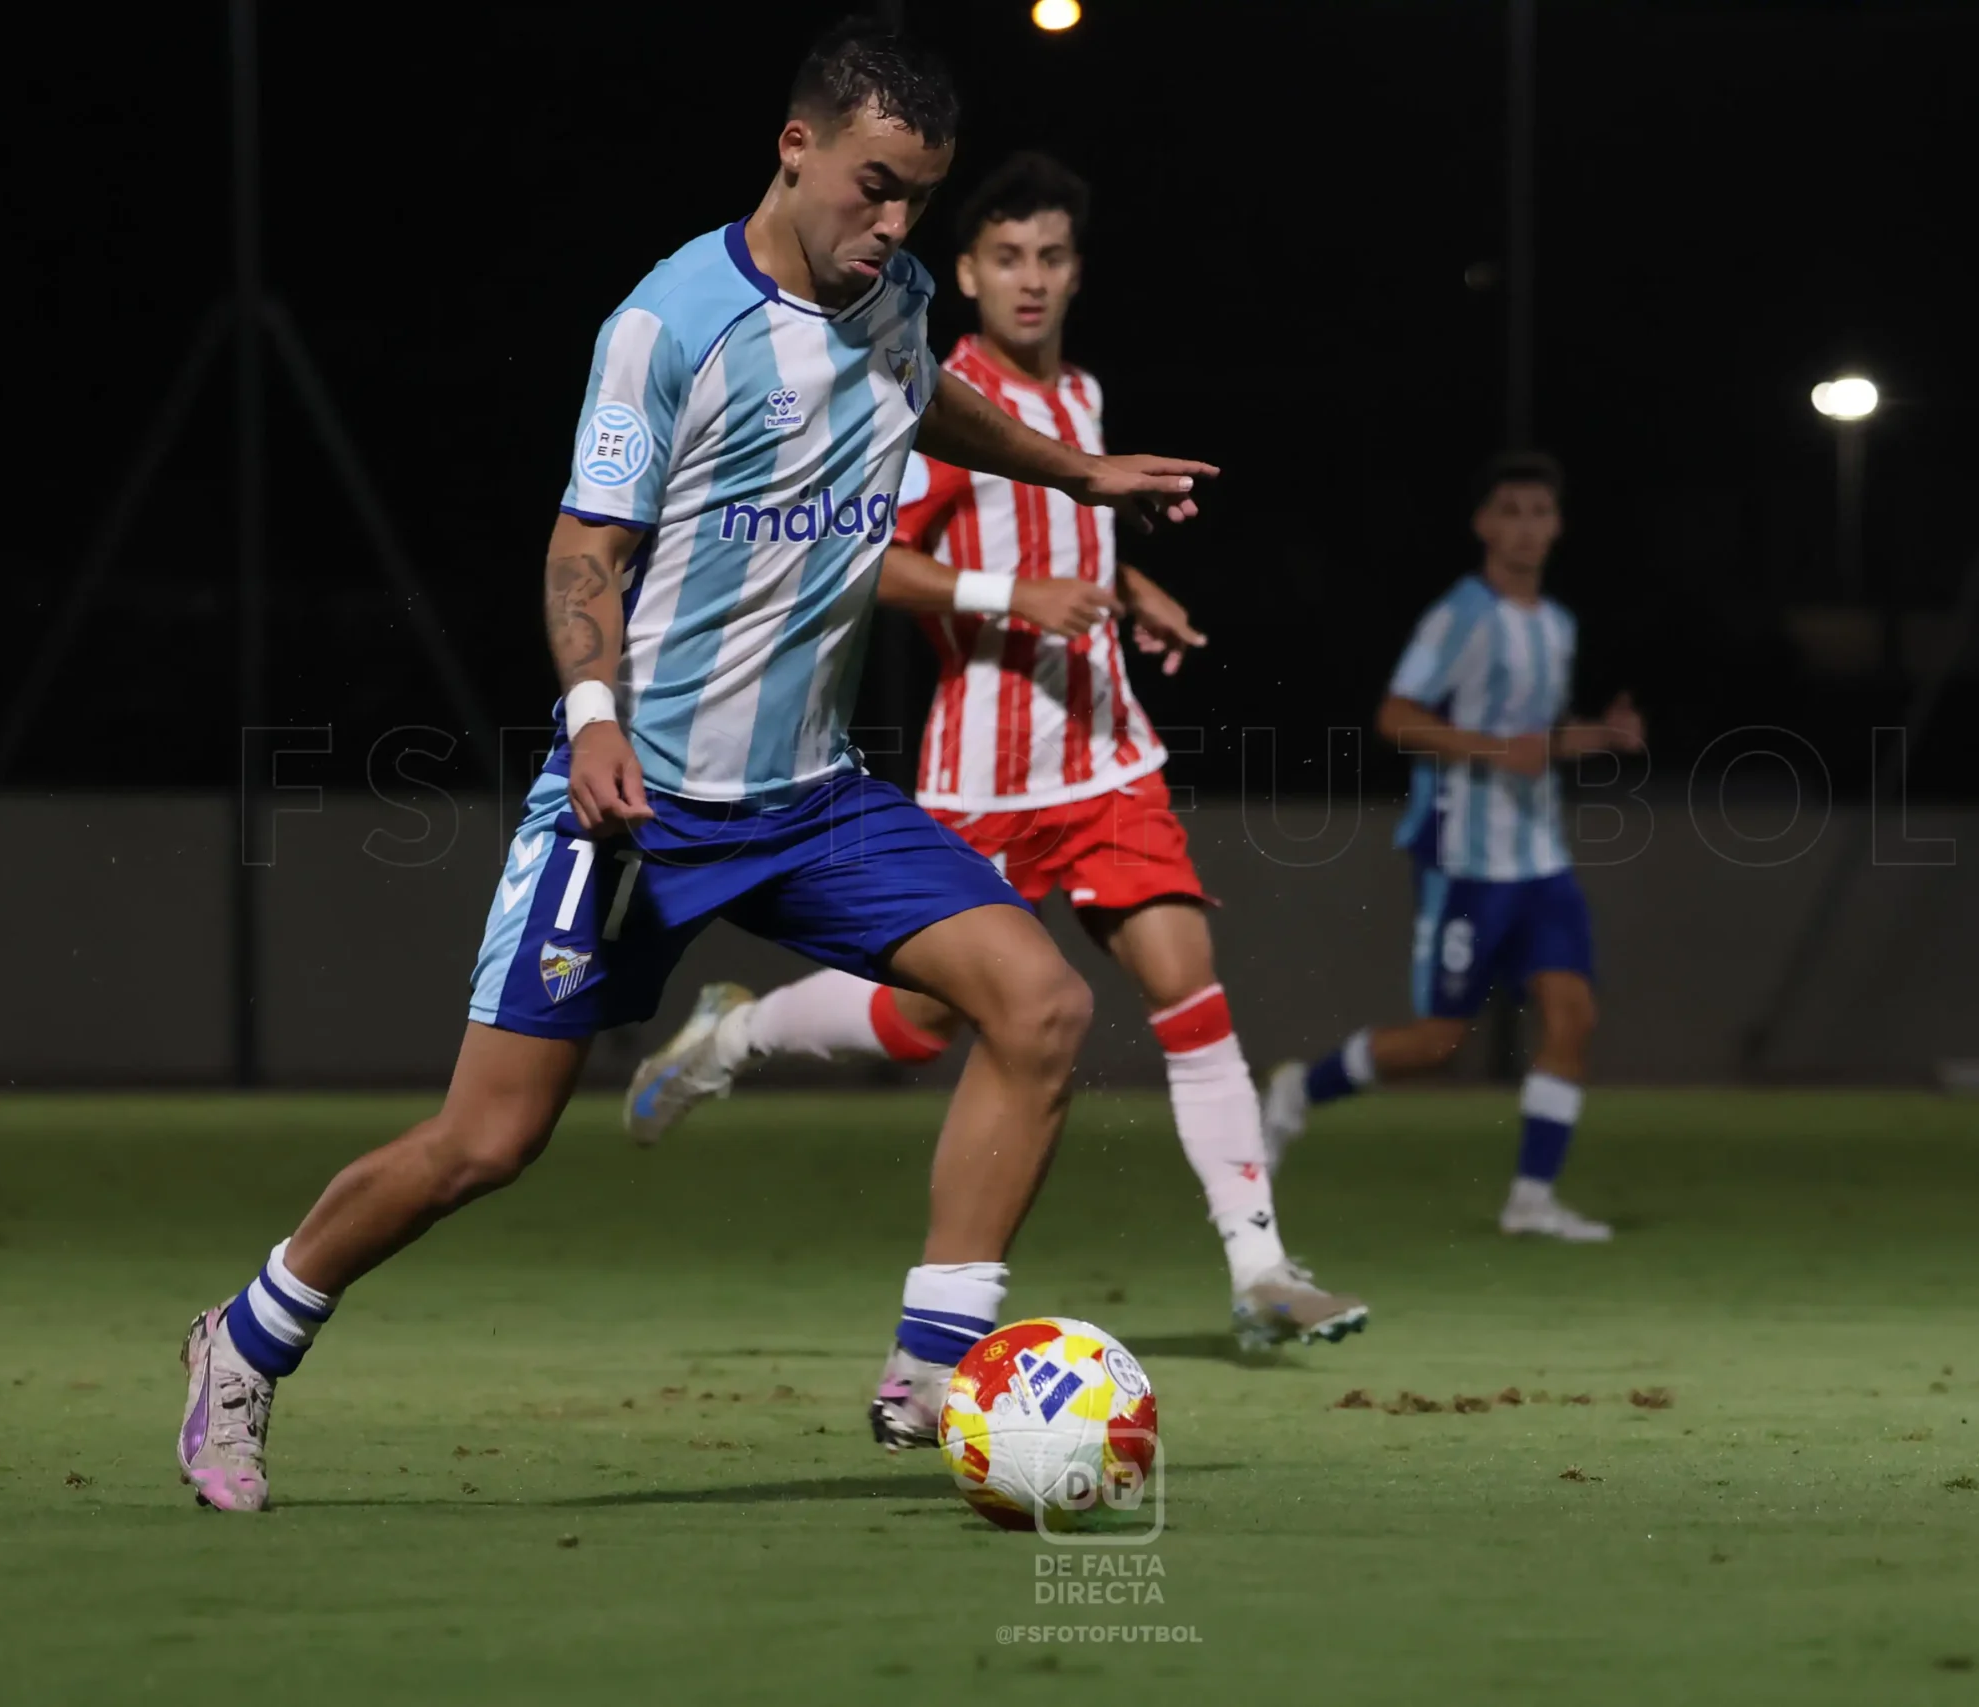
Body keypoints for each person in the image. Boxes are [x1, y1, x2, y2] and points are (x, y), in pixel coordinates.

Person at [176, 21, 1217, 1512]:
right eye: (873, 187)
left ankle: (930, 1371)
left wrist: (1074, 471)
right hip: (641, 804)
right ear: (795, 149)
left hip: (810, 801)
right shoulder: (667, 325)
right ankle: (248, 1338)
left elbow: (918, 390)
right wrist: (592, 713)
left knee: (1040, 1001)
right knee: (487, 1140)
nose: (896, 225)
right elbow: (584, 548)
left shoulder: (900, 292)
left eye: (918, 195)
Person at [621, 153, 1367, 1378]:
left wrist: (1132, 589)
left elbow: (1064, 525)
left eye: (1053, 258)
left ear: (1077, 273)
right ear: (963, 273)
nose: (1031, 280)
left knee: (1187, 979)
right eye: (1007, 257)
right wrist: (1012, 593)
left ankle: (1260, 1270)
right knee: (920, 1022)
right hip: (981, 772)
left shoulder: (1077, 397)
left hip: (1104, 754)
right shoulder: (926, 390)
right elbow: (865, 561)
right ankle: (739, 1034)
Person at [1261, 452, 1643, 1241]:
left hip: (1542, 858)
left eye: (1541, 510)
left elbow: (1531, 736)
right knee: (1439, 1041)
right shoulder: (1459, 615)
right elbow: (1396, 716)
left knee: (1573, 1016)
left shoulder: (1558, 623)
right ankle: (1301, 1088)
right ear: (1483, 524)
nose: (1527, 525)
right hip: (1466, 858)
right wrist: (1497, 750)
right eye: (1511, 509)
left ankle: (1531, 1199)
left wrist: (1598, 736)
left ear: (1558, 525)